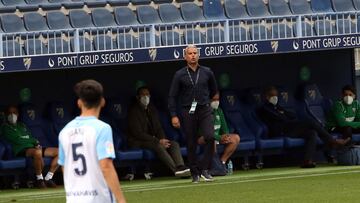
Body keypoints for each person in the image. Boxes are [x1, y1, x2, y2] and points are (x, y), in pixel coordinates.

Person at [58, 80, 126, 203]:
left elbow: (64, 166)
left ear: (79, 103)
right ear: (102, 101)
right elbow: (105, 165)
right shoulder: (102, 128)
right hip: (98, 198)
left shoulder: (64, 131)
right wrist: (121, 200)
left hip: (74, 198)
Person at [257, 86, 350, 168]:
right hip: (281, 131)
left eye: (276, 95)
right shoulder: (264, 108)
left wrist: (283, 114)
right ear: (266, 96)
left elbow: (292, 115)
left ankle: (307, 160)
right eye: (272, 95)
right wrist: (283, 114)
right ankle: (332, 141)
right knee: (310, 122)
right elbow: (281, 118)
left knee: (312, 133)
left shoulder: (277, 107)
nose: (275, 97)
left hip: (290, 128)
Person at [168, 44, 218, 183]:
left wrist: (205, 99)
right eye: (190, 53)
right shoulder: (179, 74)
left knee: (210, 136)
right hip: (188, 110)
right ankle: (194, 172)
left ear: (199, 55)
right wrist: (173, 115)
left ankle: (205, 169)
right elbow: (172, 96)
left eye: (195, 53)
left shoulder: (207, 72)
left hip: (204, 108)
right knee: (191, 142)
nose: (193, 55)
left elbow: (214, 90)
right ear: (185, 56)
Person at [126, 86, 190, 177]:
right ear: (138, 97)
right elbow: (138, 134)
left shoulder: (152, 109)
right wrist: (158, 141)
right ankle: (175, 170)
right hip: (138, 141)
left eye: (147, 94)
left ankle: (181, 167)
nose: (145, 97)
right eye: (143, 95)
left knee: (174, 144)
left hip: (154, 140)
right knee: (158, 146)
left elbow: (158, 127)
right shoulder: (133, 111)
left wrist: (163, 139)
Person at [0, 105, 58, 188]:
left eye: (14, 113)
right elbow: (18, 140)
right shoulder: (5, 127)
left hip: (33, 147)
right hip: (21, 149)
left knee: (60, 152)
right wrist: (32, 142)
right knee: (37, 152)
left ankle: (48, 177)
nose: (12, 115)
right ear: (6, 115)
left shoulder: (22, 125)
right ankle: (39, 179)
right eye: (10, 113)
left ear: (18, 114)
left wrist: (36, 144)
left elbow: (31, 137)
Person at [210, 93, 240, 168]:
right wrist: (219, 138)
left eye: (217, 99)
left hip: (218, 137)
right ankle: (215, 165)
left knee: (236, 138)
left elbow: (224, 127)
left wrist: (226, 136)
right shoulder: (204, 112)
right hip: (205, 138)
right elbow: (205, 133)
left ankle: (222, 162)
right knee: (212, 140)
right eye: (214, 100)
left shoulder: (219, 111)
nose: (216, 102)